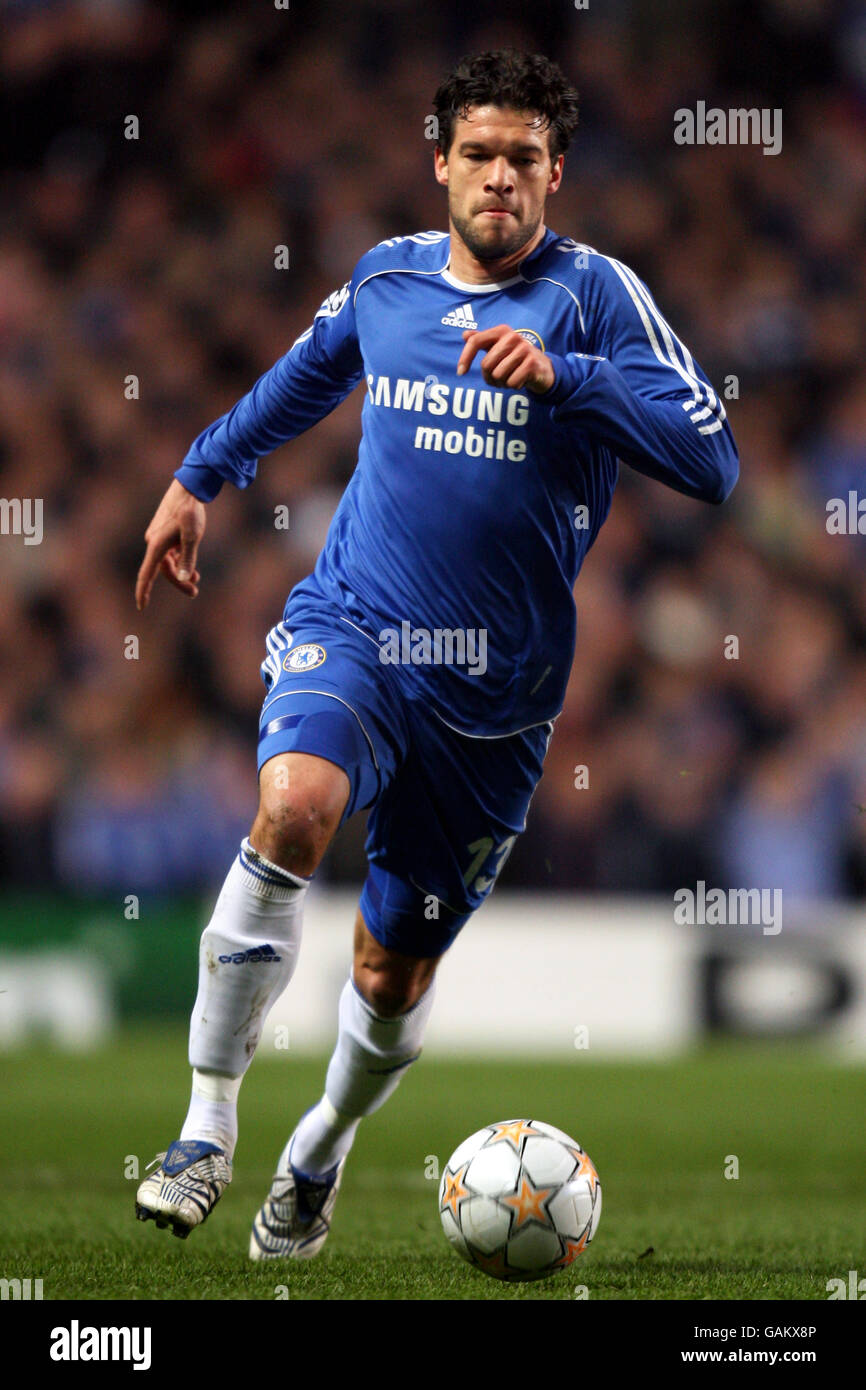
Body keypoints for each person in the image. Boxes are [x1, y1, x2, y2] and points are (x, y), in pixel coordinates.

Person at [132, 49, 738, 1261]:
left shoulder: (595, 297)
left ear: (555, 172)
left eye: (523, 158)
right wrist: (201, 474)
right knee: (296, 803)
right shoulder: (387, 279)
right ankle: (203, 1128)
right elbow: (301, 380)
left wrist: (570, 378)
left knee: (390, 970)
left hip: (497, 697)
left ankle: (319, 1147)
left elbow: (711, 460)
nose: (498, 178)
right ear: (440, 163)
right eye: (478, 154)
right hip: (355, 625)